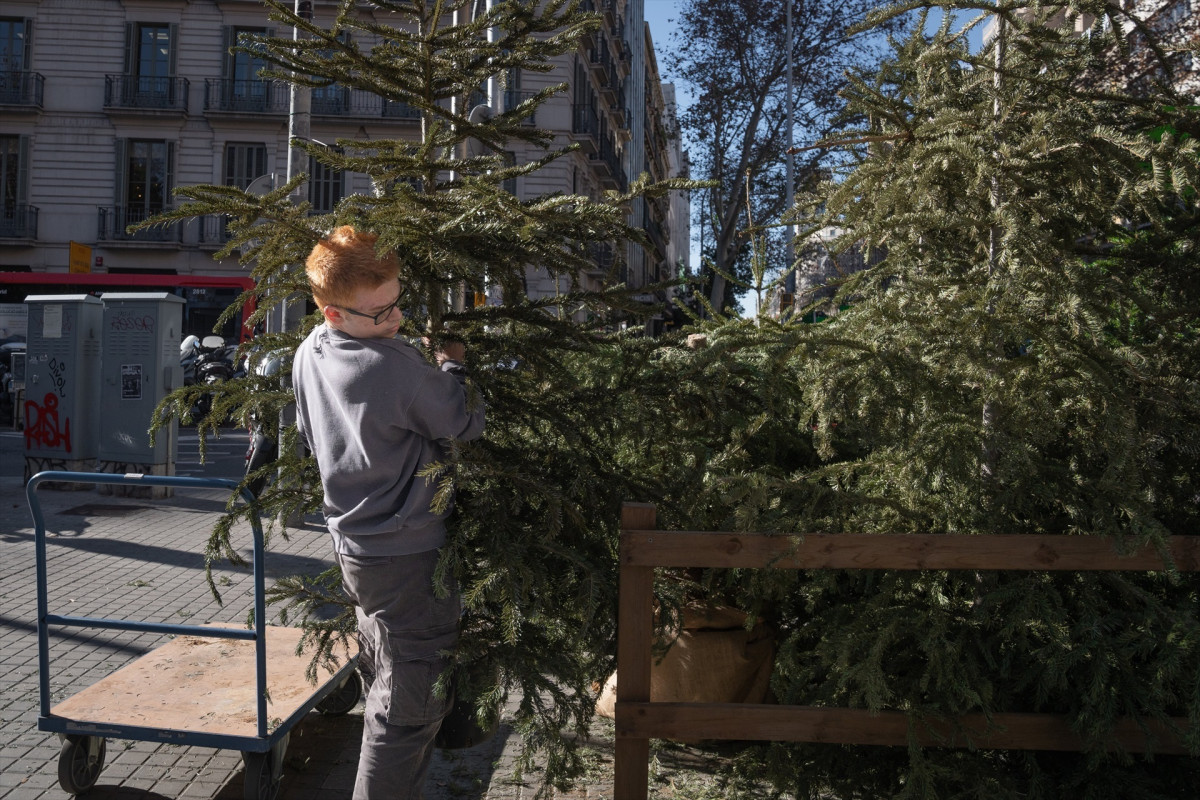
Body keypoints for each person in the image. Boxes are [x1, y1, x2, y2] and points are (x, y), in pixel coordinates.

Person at [292, 225, 485, 799]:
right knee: (408, 709)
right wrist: (452, 364)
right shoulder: (390, 365)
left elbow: (310, 429)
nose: (395, 319)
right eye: (379, 313)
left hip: (356, 547)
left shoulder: (310, 351)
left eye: (396, 301)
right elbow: (463, 420)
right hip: (408, 553)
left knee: (389, 670)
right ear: (333, 312)